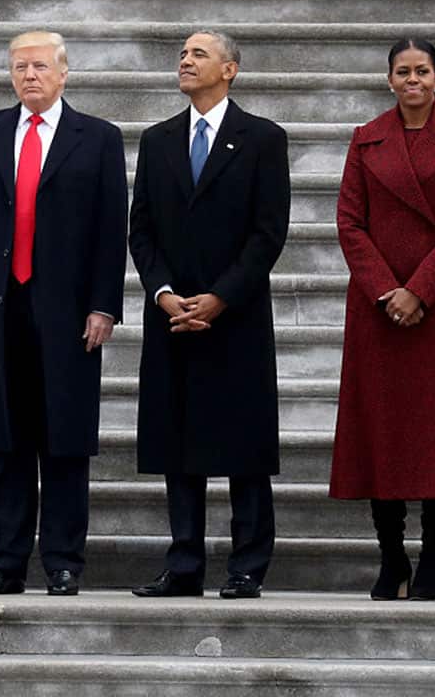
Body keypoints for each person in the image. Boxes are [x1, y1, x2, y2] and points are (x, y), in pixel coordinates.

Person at [0, 31, 127, 597]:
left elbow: (109, 230)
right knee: (4, 439)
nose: (29, 76)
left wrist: (103, 305)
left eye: (40, 66)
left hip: (67, 313)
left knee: (63, 439)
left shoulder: (98, 138)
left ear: (64, 73)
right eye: (20, 67)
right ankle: (7, 560)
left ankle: (64, 560)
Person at [329, 38, 435, 601]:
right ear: (389, 80)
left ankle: (431, 555)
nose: (412, 81)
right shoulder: (366, 139)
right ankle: (390, 556)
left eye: (422, 71)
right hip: (380, 308)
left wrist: (419, 291)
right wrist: (386, 291)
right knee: (383, 431)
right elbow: (350, 222)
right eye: (402, 72)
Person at [128, 30, 291, 599]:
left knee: (243, 445)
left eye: (199, 54)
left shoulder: (263, 139)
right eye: (182, 54)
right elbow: (141, 230)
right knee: (179, 444)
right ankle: (184, 564)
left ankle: (248, 565)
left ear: (231, 69)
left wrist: (221, 297)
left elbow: (269, 232)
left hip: (236, 316)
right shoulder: (158, 140)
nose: (186, 60)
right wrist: (164, 292)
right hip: (173, 316)